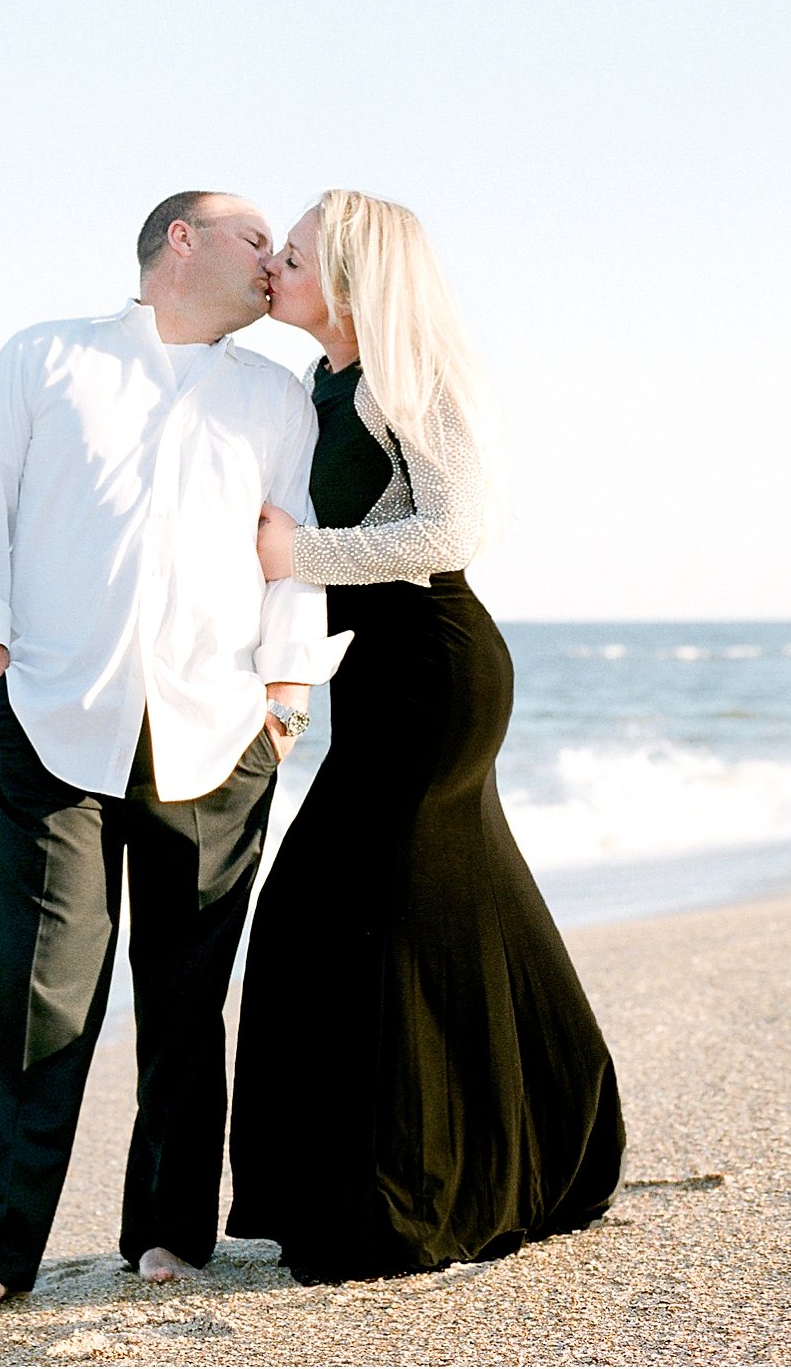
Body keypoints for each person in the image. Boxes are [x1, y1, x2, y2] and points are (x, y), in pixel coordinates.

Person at [0, 190, 349, 1315]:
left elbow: (293, 552)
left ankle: (167, 1229)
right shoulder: (45, 360)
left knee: (184, 993)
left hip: (219, 729)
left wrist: (286, 698)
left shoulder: (272, 395)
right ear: (182, 240)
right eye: (255, 238)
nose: (273, 261)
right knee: (32, 991)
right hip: (53, 723)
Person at [227, 188, 624, 1282]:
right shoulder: (322, 379)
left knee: (335, 911)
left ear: (348, 280)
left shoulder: (410, 377)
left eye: (293, 256)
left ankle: (401, 1194)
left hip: (437, 669)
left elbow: (457, 524)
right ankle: (548, 1143)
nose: (275, 268)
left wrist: (294, 558)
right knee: (453, 902)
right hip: (385, 674)